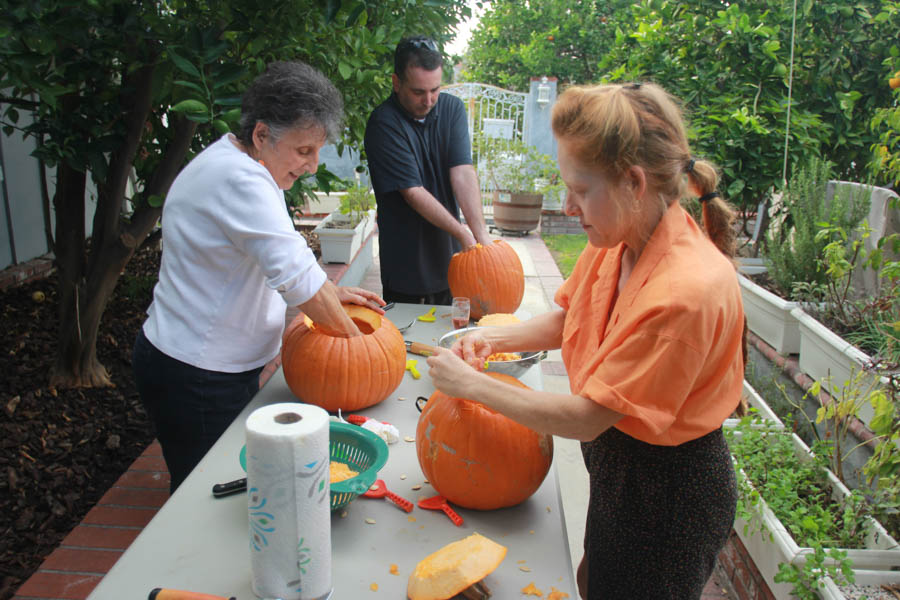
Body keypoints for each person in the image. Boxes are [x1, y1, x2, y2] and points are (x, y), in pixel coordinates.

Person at [426, 82, 745, 599]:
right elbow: (568, 319)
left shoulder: (684, 293)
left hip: (668, 491)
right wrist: (487, 338)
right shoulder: (620, 235)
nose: (568, 205)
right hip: (621, 465)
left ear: (633, 182)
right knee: (592, 581)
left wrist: (472, 386)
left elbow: (588, 415)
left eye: (579, 188)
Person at [133, 61, 385, 493]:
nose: (312, 165)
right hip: (197, 375)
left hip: (201, 366)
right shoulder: (240, 180)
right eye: (304, 150)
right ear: (262, 135)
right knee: (206, 498)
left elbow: (278, 261)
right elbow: (298, 279)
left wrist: (331, 292)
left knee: (221, 488)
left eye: (317, 151)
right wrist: (365, 352)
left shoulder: (237, 162)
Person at [364, 35, 491, 305]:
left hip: (454, 264)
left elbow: (462, 171)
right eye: (418, 92)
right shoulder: (383, 123)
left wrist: (481, 237)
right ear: (396, 83)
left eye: (435, 89)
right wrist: (462, 232)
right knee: (413, 342)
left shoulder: (452, 109)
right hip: (408, 270)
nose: (429, 100)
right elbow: (412, 191)